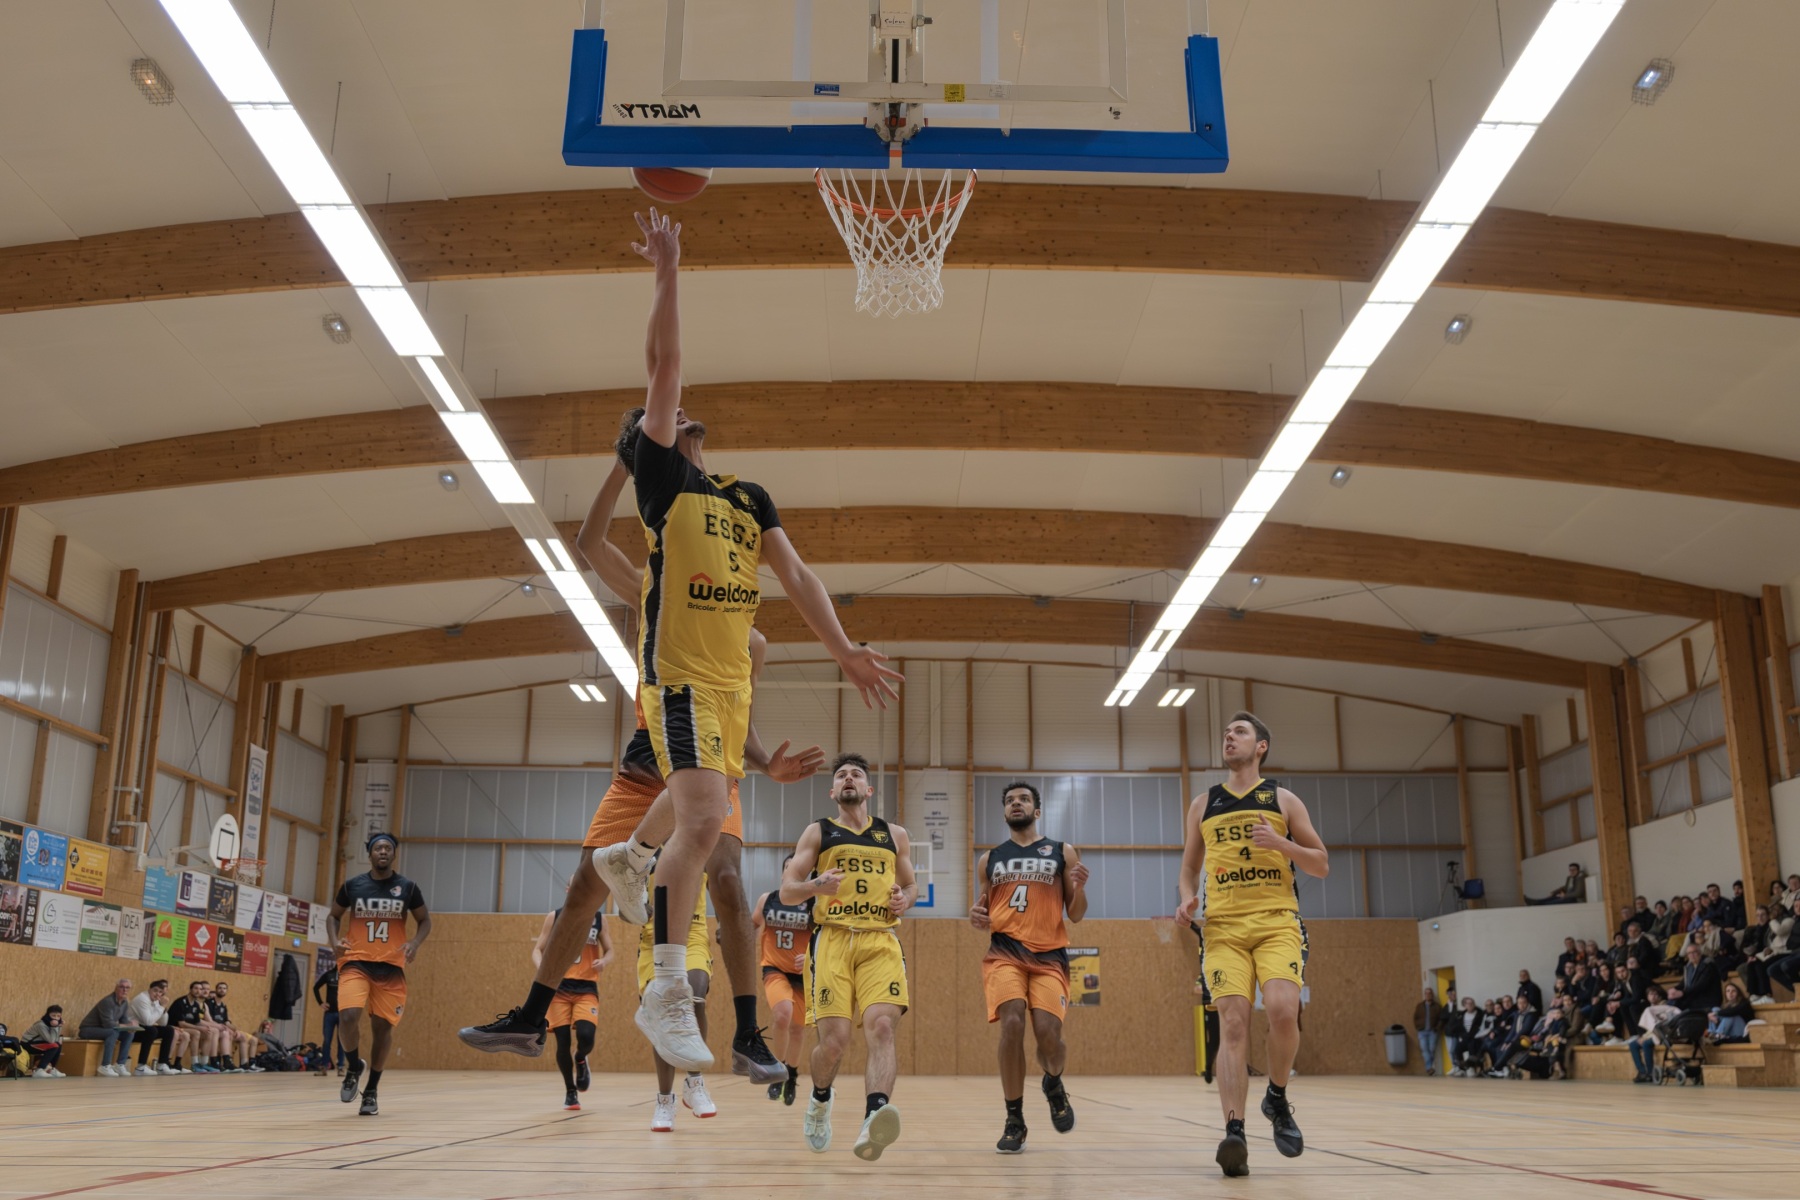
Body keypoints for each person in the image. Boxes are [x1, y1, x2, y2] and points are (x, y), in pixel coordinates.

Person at [591, 210, 902, 1078]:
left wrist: (843, 649)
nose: (679, 415)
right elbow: (665, 365)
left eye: (683, 417)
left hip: (731, 686)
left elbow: (797, 576)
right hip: (682, 677)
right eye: (666, 418)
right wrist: (667, 268)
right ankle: (664, 990)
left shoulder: (746, 496)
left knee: (699, 807)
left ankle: (627, 855)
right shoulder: (661, 482)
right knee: (702, 824)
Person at [457, 459, 826, 1086]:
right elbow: (589, 542)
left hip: (708, 763)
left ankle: (747, 1035)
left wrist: (767, 763)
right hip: (645, 764)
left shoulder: (749, 638)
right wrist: (623, 463)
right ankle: (530, 1017)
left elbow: (738, 717)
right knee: (583, 887)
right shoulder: (659, 587)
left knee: (729, 882)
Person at [1176, 712, 1330, 1178]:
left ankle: (1276, 1097)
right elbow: (1189, 868)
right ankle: (1234, 1132)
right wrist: (1186, 898)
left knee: (1283, 1010)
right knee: (1233, 1023)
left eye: (1240, 732)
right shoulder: (1204, 803)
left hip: (1277, 922)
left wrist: (1282, 845)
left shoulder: (1283, 799)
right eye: (1226, 732)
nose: (1229, 736)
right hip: (1223, 928)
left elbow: (1321, 864)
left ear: (1261, 746)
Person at [781, 752, 917, 1161]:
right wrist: (814, 886)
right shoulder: (818, 832)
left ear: (868, 789)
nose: (848, 779)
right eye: (841, 775)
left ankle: (874, 1117)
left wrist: (904, 899)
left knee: (882, 1028)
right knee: (834, 1043)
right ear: (833, 791)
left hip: (880, 940)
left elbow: (911, 886)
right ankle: (820, 1099)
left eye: (856, 774)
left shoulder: (894, 835)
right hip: (833, 940)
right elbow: (787, 890)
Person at [969, 781, 1089, 1153]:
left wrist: (1080, 888)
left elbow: (1076, 914)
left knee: (1049, 1037)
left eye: (1023, 799)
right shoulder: (989, 859)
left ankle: (1053, 1081)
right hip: (1005, 951)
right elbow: (982, 909)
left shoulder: (1062, 851)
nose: (1015, 803)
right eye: (1009, 800)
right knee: (1012, 1022)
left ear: (1036, 811)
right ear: (1004, 811)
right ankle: (1014, 1119)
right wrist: (976, 915)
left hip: (1050, 956)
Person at [327, 831, 432, 1116]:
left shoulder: (408, 887)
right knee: (348, 1017)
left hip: (390, 966)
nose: (383, 852)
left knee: (382, 1029)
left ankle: (371, 1090)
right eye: (378, 848)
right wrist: (334, 942)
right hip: (356, 961)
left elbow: (424, 920)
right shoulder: (352, 886)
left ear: (394, 853)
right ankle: (353, 1067)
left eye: (388, 848)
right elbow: (333, 916)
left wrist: (414, 943)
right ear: (370, 853)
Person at [636, 870, 716, 1130]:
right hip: (654, 939)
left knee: (695, 994)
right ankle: (665, 1100)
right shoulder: (644, 855)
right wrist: (638, 910)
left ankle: (695, 1082)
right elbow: (625, 907)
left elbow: (722, 886)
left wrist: (726, 922)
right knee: (663, 1012)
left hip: (693, 934)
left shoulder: (702, 849)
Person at [532, 901, 613, 1112]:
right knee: (563, 1042)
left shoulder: (598, 918)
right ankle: (570, 1091)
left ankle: (581, 1057)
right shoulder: (555, 916)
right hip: (558, 987)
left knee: (586, 1036)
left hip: (586, 987)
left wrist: (604, 961)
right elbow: (537, 949)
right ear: (570, 889)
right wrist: (542, 967)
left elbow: (610, 950)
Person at [753, 857, 814, 1105]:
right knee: (782, 1015)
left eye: (798, 868)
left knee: (797, 1029)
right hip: (774, 968)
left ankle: (791, 1074)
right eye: (788, 867)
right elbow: (752, 924)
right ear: (782, 874)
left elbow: (825, 937)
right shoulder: (767, 900)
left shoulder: (814, 904)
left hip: (802, 974)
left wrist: (810, 957)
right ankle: (777, 1071)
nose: (792, 871)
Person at [78, 979, 142, 1076]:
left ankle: (120, 1064)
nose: (124, 990)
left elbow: (124, 1020)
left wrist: (131, 1026)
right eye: (122, 987)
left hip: (105, 1030)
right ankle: (105, 1065)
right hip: (88, 1029)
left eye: (127, 988)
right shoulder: (107, 1001)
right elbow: (107, 1024)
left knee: (129, 1033)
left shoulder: (125, 1002)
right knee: (113, 1032)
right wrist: (127, 1025)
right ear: (116, 988)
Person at [129, 979, 189, 1075]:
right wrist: (161, 1007)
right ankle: (140, 1067)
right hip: (131, 1030)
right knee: (151, 1031)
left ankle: (161, 1065)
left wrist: (163, 1008)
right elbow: (148, 1021)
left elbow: (163, 1023)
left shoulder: (157, 1000)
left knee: (168, 1030)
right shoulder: (142, 999)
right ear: (149, 989)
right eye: (155, 990)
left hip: (144, 1028)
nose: (157, 994)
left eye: (160, 992)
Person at [1627, 986, 1679, 1083]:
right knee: (1633, 1045)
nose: (1653, 996)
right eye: (1651, 994)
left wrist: (1645, 1038)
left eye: (1656, 994)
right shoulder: (1650, 1008)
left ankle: (1650, 1073)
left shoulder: (1664, 1007)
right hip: (1652, 1034)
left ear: (1660, 997)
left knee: (1646, 1043)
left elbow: (1658, 1027)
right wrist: (1644, 1036)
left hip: (1663, 1035)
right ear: (1647, 997)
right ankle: (1643, 1072)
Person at [167, 981, 218, 1072]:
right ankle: (194, 1063)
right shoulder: (180, 1002)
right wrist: (199, 1028)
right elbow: (181, 1023)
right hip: (174, 1027)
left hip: (186, 1028)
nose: (198, 991)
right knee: (196, 1032)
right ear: (190, 989)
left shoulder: (195, 1004)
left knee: (209, 1033)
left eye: (200, 989)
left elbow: (197, 1022)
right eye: (196, 988)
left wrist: (207, 1027)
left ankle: (203, 1063)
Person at [207, 980, 258, 1071]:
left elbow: (227, 1022)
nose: (222, 990)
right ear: (216, 989)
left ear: (226, 991)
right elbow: (209, 1020)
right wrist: (226, 1028)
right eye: (220, 988)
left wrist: (235, 1030)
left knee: (242, 1037)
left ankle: (244, 1064)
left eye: (224, 988)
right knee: (227, 1034)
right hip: (215, 1028)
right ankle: (227, 1061)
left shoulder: (223, 1005)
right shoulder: (209, 1003)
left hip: (224, 1028)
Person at [1666, 941, 1722, 1013]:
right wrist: (1674, 989)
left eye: (1694, 952)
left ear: (1700, 953)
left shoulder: (1708, 964)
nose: (1692, 955)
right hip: (1693, 998)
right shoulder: (1689, 966)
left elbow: (1701, 985)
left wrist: (1682, 993)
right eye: (1689, 953)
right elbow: (1684, 983)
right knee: (1672, 1003)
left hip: (1707, 999)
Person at [312, 964, 345, 1074]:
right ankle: (324, 1066)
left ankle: (341, 1067)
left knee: (342, 1041)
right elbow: (315, 988)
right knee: (326, 1041)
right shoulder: (328, 974)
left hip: (342, 1013)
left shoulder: (347, 976)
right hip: (329, 1013)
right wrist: (320, 1003)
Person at [23, 1006, 65, 1078]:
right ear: (48, 1015)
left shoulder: (54, 1024)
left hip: (40, 1043)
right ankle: (39, 1070)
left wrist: (59, 1026)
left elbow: (56, 1039)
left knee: (58, 1044)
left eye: (58, 1016)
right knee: (54, 1046)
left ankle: (51, 1069)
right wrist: (54, 1027)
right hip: (28, 1044)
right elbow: (51, 1040)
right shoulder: (41, 1024)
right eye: (53, 1015)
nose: (55, 1018)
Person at [1412, 988, 1444, 1076]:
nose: (1428, 995)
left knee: (1431, 1049)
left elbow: (1441, 1019)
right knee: (1424, 1049)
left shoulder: (1437, 1006)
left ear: (1432, 995)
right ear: (1424, 995)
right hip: (1422, 1031)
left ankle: (1430, 1066)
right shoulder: (1420, 1006)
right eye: (1426, 993)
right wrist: (1417, 1026)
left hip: (1433, 1031)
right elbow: (1415, 1017)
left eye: (1429, 993)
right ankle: (1429, 1068)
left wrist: (1437, 1028)